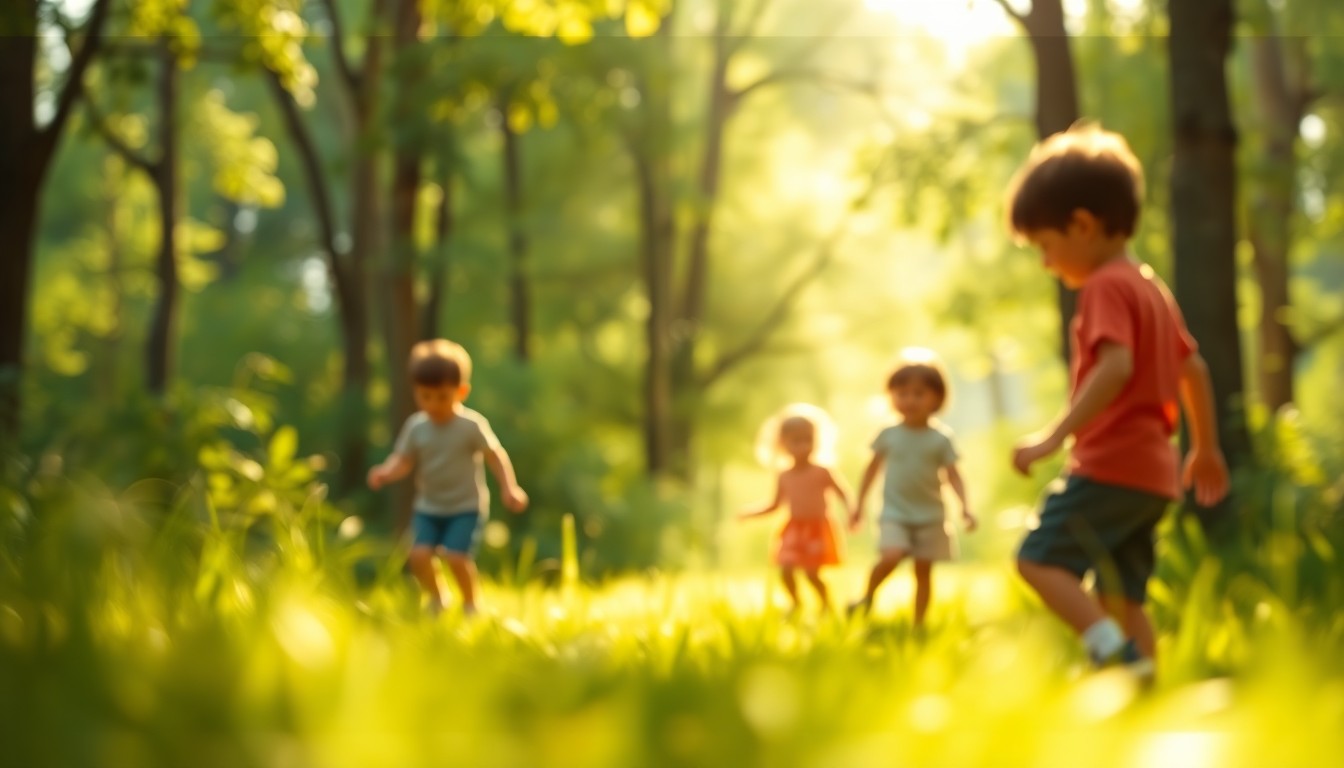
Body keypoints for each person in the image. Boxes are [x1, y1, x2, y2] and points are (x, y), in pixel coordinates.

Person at [1005, 124, 1230, 672]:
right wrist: (1204, 448)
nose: (1046, 263)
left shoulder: (1106, 285)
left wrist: (1053, 436)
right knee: (1123, 595)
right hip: (1154, 476)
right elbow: (1193, 367)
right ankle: (1141, 681)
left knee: (1037, 560)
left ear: (1081, 225)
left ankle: (1107, 652)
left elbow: (1116, 365)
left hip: (1109, 466)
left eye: (1046, 246)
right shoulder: (1150, 286)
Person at [368, 339, 528, 616]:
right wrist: (386, 471)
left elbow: (494, 455)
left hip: (465, 507)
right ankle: (438, 598)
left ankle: (470, 604)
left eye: (441, 396)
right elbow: (403, 460)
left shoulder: (471, 426)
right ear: (416, 392)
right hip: (429, 507)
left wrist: (509, 487)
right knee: (418, 555)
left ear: (461, 391)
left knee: (456, 556)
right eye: (424, 396)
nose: (433, 404)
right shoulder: (416, 427)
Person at [848, 349, 976, 625]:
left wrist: (966, 507)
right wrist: (858, 505)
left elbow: (954, 476)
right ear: (891, 396)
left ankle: (919, 624)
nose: (909, 400)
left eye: (919, 393)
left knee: (923, 570)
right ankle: (867, 596)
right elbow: (871, 470)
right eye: (902, 393)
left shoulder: (940, 439)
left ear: (937, 398)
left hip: (930, 516)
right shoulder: (888, 434)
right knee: (891, 555)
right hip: (895, 512)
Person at [740, 403, 849, 614]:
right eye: (796, 441)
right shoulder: (784, 475)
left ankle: (826, 605)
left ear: (816, 442)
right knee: (786, 569)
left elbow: (843, 492)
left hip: (817, 528)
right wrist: (751, 513)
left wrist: (853, 512)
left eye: (808, 440)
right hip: (794, 529)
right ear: (782, 444)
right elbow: (774, 505)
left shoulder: (822, 472)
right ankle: (795, 603)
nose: (803, 446)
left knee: (811, 574)